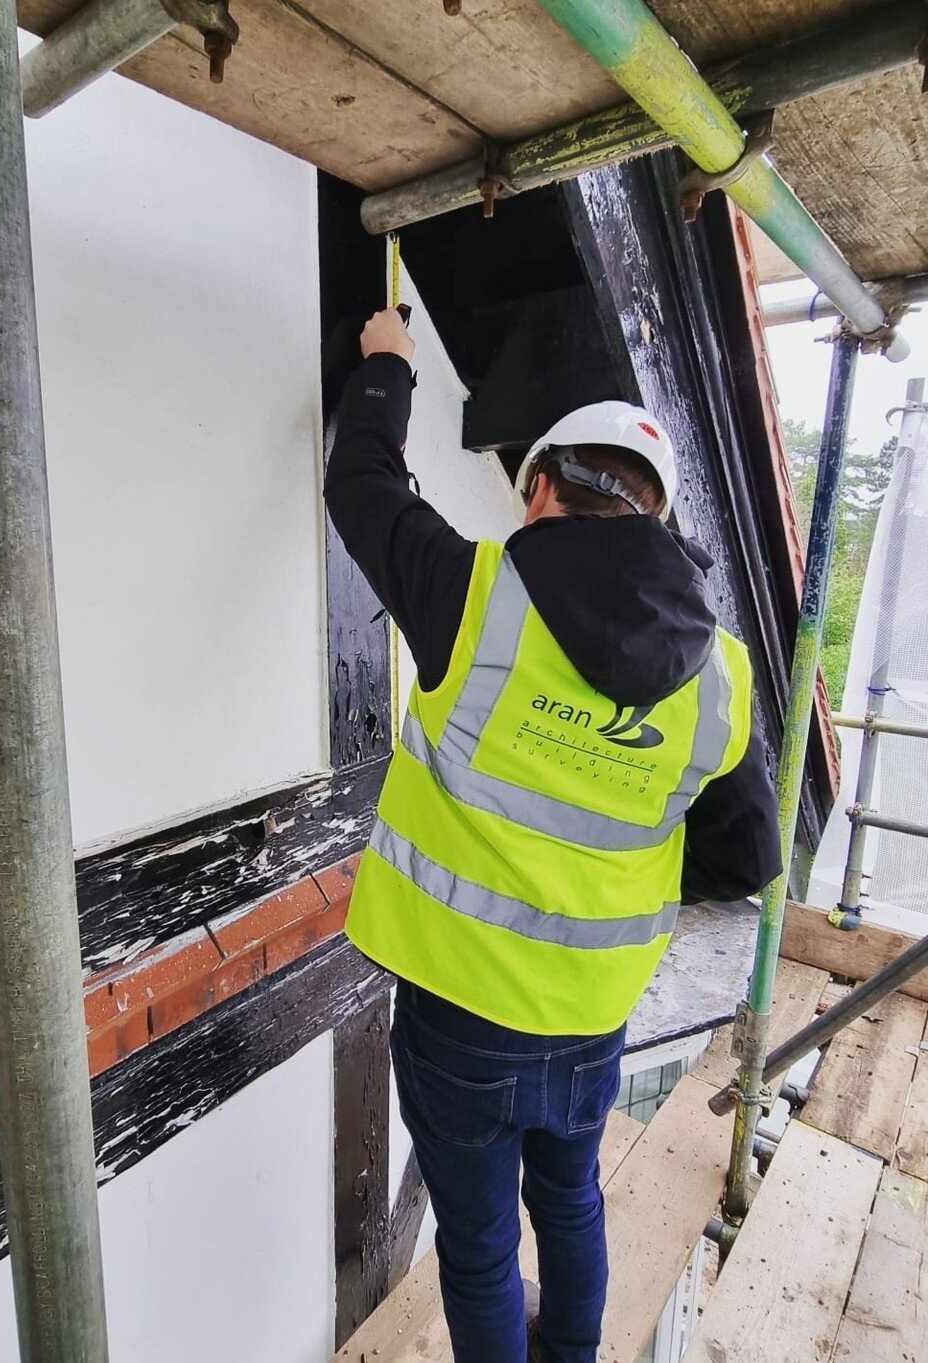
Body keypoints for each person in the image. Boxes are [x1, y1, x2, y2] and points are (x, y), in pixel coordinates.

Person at [324, 307, 781, 1363]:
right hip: (591, 1015)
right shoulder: (722, 675)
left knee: (481, 1245)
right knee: (570, 1198)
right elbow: (747, 859)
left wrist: (388, 367)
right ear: (656, 515)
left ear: (540, 489)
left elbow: (363, 489)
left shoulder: (474, 594)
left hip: (460, 1016)